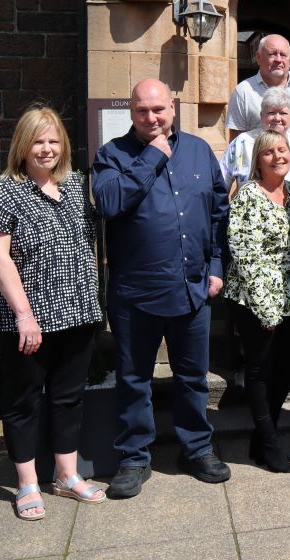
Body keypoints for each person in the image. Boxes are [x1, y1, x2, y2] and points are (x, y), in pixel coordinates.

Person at [92, 79, 231, 498]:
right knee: (134, 379)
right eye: (141, 111)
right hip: (136, 293)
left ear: (173, 107)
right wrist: (152, 156)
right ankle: (134, 457)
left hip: (192, 288)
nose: (151, 118)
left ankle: (197, 448)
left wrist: (217, 267)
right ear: (131, 112)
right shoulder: (112, 155)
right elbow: (110, 202)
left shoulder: (200, 151)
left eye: (158, 110)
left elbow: (217, 213)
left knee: (192, 377)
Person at [0, 106, 106, 520]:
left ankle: (66, 476)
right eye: (38, 141)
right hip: (29, 320)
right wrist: (24, 316)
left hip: (78, 313)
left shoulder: (75, 186)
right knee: (24, 401)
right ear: (23, 146)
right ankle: (27, 483)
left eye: (53, 141)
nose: (46, 149)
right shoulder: (3, 190)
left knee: (68, 398)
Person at [225, 130, 290, 473]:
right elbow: (245, 253)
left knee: (289, 366)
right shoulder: (248, 196)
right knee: (260, 371)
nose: (278, 157)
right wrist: (265, 307)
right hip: (254, 297)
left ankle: (262, 440)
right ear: (258, 160)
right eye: (269, 152)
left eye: (282, 150)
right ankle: (270, 445)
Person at [226, 33, 290, 142]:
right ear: (258, 57)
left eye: (283, 55)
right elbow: (235, 143)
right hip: (258, 158)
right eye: (272, 54)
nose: (278, 59)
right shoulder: (243, 91)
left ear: (289, 59)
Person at [218, 87, 290, 190]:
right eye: (271, 113)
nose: (277, 118)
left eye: (283, 113)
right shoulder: (242, 142)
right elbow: (220, 183)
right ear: (261, 115)